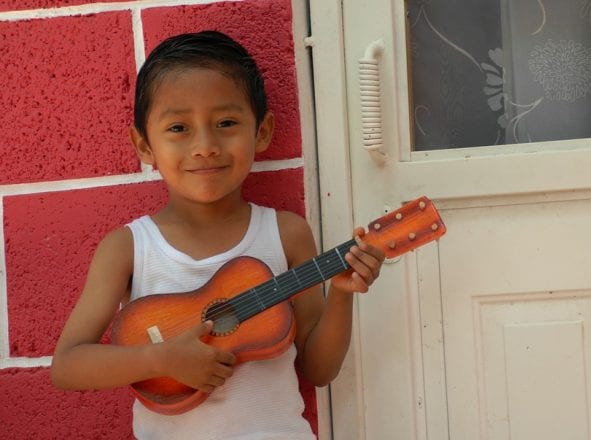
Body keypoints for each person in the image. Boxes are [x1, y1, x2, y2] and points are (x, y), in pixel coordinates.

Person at [51, 30, 385, 439]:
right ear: (144, 144)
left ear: (261, 132)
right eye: (178, 128)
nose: (205, 146)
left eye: (226, 122)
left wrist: (344, 294)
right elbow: (67, 366)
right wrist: (161, 360)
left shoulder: (286, 234)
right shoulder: (129, 248)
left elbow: (318, 369)